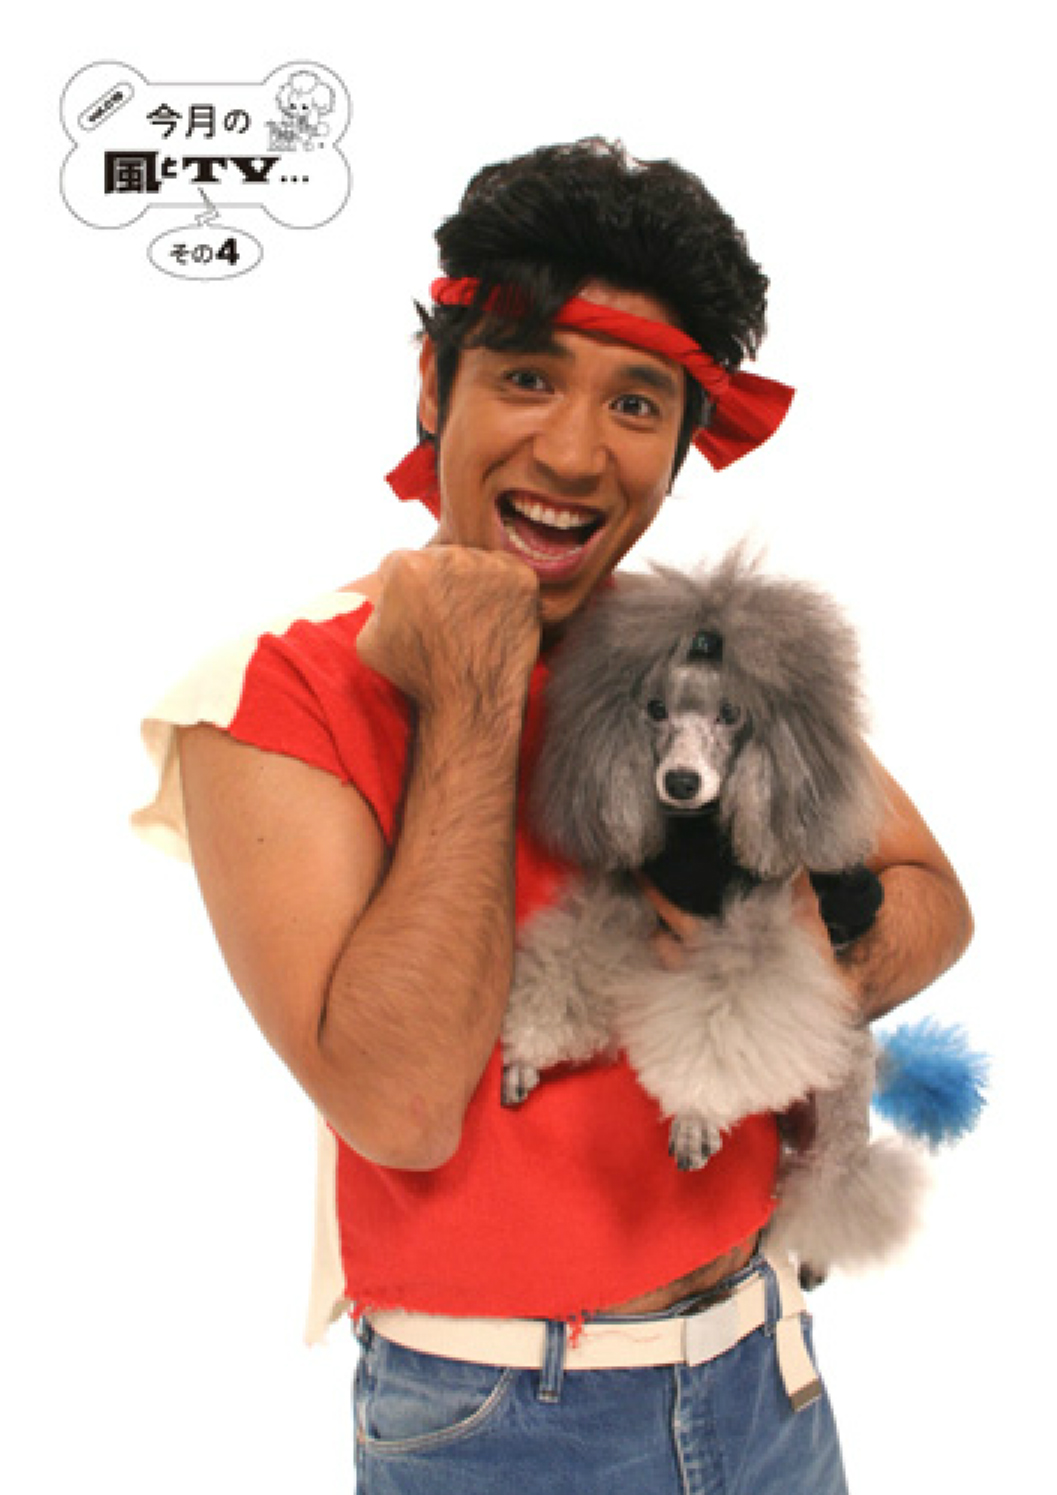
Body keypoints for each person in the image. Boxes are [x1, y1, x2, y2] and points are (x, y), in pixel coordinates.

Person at [134, 138, 973, 1493]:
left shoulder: (694, 651)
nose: (575, 453)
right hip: (499, 1422)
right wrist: (477, 682)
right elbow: (401, 1106)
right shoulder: (273, 695)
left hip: (765, 1364)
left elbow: (930, 895)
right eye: (526, 377)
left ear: (680, 447)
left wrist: (771, 966)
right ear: (434, 385)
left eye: (636, 404)